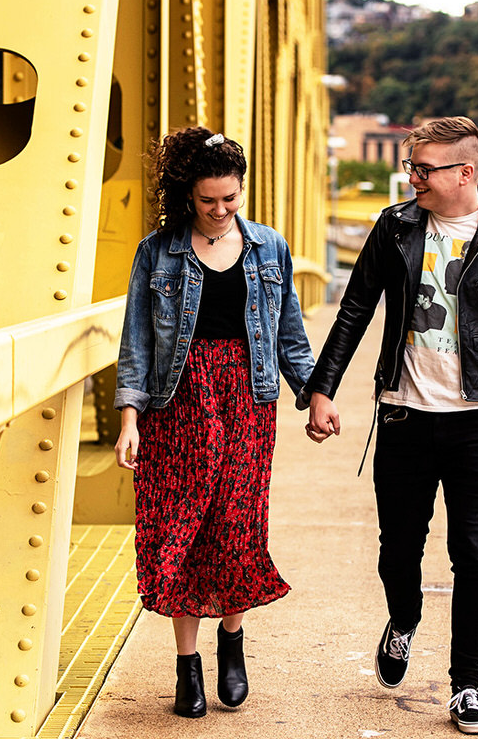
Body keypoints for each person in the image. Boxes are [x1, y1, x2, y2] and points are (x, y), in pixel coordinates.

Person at [302, 116, 478, 735]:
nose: (413, 178)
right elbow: (355, 307)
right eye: (412, 167)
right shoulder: (396, 227)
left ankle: (467, 686)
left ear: (466, 172)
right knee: (399, 548)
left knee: (474, 555)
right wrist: (322, 389)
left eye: (425, 169)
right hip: (405, 416)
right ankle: (403, 620)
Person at [113, 126, 315, 719]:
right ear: (187, 196)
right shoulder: (157, 253)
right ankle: (186, 666)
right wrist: (130, 419)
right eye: (209, 201)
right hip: (179, 403)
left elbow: (290, 338)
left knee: (237, 523)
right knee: (184, 529)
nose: (222, 211)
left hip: (249, 401)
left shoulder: (270, 248)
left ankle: (233, 641)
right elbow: (138, 344)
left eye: (231, 198)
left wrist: (315, 394)